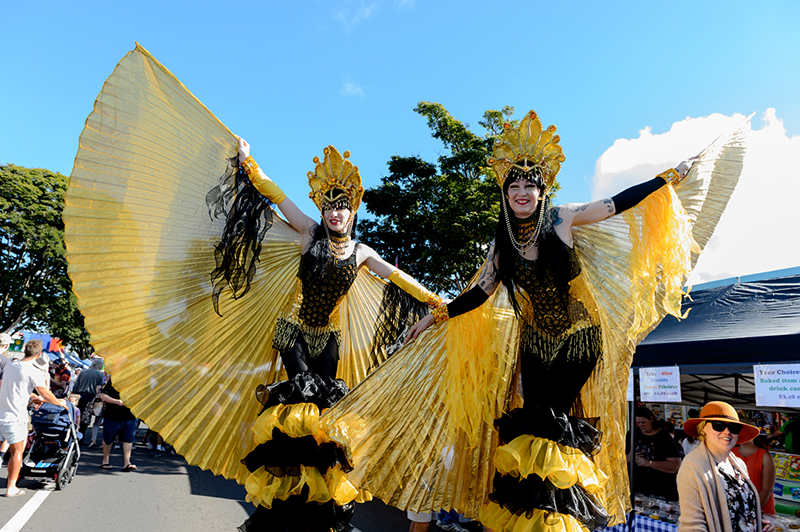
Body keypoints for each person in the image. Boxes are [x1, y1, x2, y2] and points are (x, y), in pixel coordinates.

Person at [318, 110, 746, 529]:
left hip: (579, 338)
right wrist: (435, 317)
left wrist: (668, 177)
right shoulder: (501, 243)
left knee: (552, 424)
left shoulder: (563, 218)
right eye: (514, 186)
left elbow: (618, 203)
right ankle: (530, 519)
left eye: (530, 185)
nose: (522, 192)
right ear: (505, 194)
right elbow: (480, 292)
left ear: (542, 191)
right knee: (530, 427)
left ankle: (553, 521)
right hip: (535, 342)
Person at [228, 140, 443, 532]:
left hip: (328, 337)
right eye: (329, 206)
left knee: (326, 421)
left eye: (341, 206)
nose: (335, 213)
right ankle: (278, 505)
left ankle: (319, 503)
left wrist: (437, 301)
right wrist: (249, 162)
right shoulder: (310, 233)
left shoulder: (361, 252)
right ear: (322, 211)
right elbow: (277, 197)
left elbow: (398, 278)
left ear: (352, 210)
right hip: (292, 329)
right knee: (299, 406)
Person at [679, 401, 775, 532]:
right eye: (718, 425)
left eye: (734, 427)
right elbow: (692, 526)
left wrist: (760, 524)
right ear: (703, 428)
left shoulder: (738, 463)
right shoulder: (692, 466)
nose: (727, 432)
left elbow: (744, 509)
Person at [0, 340, 67, 497]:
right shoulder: (32, 370)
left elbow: (15, 388)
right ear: (38, 355)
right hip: (15, 416)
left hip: (2, 412)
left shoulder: (11, 365)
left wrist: (32, 397)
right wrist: (59, 403)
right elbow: (45, 393)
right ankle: (11, 487)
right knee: (17, 452)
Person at [627, 406, 682, 500]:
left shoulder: (664, 437)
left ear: (651, 419)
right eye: (638, 423)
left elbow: (676, 466)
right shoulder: (632, 434)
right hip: (635, 489)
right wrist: (628, 458)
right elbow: (617, 458)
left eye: (643, 422)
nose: (641, 425)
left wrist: (649, 463)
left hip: (660, 492)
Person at [734, 423, 777, 515]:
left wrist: (752, 511)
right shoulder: (730, 453)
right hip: (737, 510)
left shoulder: (765, 456)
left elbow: (767, 489)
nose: (741, 434)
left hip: (762, 510)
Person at [98, 377, 138, 471]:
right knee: (108, 438)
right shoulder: (115, 380)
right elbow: (103, 396)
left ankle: (127, 463)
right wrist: (117, 402)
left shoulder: (137, 382)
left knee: (129, 439)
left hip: (130, 415)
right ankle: (105, 461)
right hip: (112, 414)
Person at [72, 358, 105, 440]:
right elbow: (100, 387)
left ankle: (74, 434)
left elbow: (76, 385)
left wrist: (74, 394)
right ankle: (81, 437)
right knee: (85, 417)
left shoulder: (83, 372)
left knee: (77, 414)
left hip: (79, 395)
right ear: (99, 365)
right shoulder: (100, 374)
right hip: (90, 397)